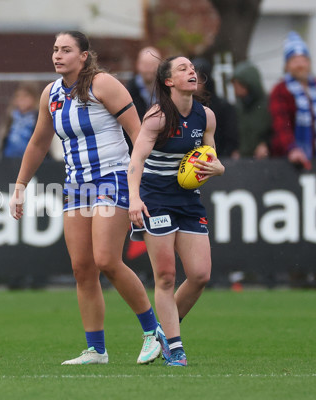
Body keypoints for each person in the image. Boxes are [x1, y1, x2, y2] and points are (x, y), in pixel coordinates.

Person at [9, 31, 164, 366]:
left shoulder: (103, 84)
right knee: (82, 268)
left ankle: (154, 332)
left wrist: (138, 184)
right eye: (54, 49)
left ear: (83, 56)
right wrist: (20, 185)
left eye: (66, 50)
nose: (57, 55)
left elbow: (139, 133)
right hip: (76, 185)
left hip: (112, 178)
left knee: (107, 260)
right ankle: (96, 349)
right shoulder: (50, 94)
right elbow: (38, 143)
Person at [128, 56, 225, 367]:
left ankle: (162, 331)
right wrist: (133, 199)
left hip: (188, 200)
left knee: (200, 275)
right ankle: (175, 347)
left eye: (192, 68)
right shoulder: (156, 116)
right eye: (183, 69)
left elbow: (210, 159)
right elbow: (136, 161)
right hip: (155, 199)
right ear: (169, 81)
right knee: (166, 276)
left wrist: (218, 168)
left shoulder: (206, 117)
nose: (191, 71)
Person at [269, 31, 316, 170]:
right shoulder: (280, 90)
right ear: (287, 65)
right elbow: (281, 124)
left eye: (303, 60)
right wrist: (291, 148)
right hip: (290, 161)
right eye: (295, 60)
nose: (300, 65)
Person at [192, 58, 239, 158]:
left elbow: (230, 139)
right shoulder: (185, 106)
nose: (195, 84)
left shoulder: (223, 107)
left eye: (198, 79)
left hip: (219, 159)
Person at [231, 61, 271, 159]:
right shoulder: (238, 107)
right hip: (243, 162)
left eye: (239, 85)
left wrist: (267, 144)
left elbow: (275, 131)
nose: (236, 90)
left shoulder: (269, 105)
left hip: (266, 161)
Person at [0, 82, 39, 159]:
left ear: (34, 98)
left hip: (30, 160)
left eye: (26, 96)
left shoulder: (37, 117)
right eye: (18, 96)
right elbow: (1, 138)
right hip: (8, 160)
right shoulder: (11, 116)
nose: (21, 99)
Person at [126, 46, 162, 122]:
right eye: (145, 64)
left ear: (160, 65)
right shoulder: (129, 90)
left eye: (153, 64)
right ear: (137, 65)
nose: (148, 68)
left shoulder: (167, 88)